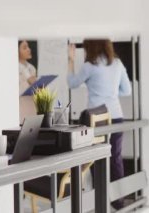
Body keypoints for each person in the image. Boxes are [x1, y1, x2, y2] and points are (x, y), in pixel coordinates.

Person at [67, 39, 131, 210]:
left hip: (97, 118)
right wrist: (109, 92)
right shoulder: (117, 63)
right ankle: (118, 202)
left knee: (95, 159)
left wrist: (71, 60)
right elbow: (127, 90)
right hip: (116, 117)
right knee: (116, 159)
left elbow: (72, 83)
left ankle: (99, 201)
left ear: (91, 46)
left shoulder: (90, 65)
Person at [19, 40, 37, 123]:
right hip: (20, 104)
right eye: (24, 48)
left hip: (31, 103)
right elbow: (32, 81)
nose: (29, 49)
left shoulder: (31, 67)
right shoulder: (15, 66)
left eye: (28, 47)